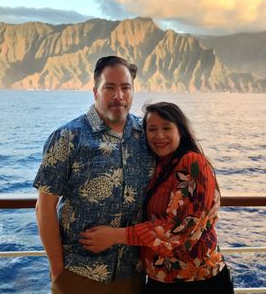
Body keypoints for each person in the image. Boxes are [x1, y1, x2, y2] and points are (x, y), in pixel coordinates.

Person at [80, 102, 234, 294]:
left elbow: (180, 231)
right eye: (152, 129)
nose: (159, 135)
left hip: (196, 281)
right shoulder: (161, 165)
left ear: (181, 131)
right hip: (159, 278)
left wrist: (114, 235)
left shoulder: (192, 162)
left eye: (167, 128)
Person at [33, 56, 156, 294]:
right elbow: (44, 208)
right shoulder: (68, 137)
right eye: (109, 87)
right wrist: (58, 269)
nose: (118, 95)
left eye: (125, 87)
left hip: (133, 275)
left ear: (133, 91)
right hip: (79, 275)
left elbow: (182, 163)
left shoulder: (147, 134)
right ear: (95, 92)